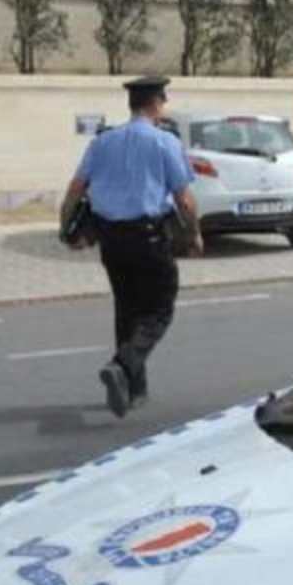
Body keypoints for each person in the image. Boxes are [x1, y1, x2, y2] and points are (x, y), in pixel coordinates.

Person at [60, 76, 203, 418]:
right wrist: (194, 233)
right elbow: (184, 198)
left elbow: (75, 189)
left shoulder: (102, 141)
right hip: (149, 237)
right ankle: (122, 364)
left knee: (127, 310)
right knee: (159, 310)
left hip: (111, 239)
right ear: (156, 102)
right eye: (163, 100)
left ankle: (134, 390)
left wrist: (65, 227)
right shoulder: (165, 141)